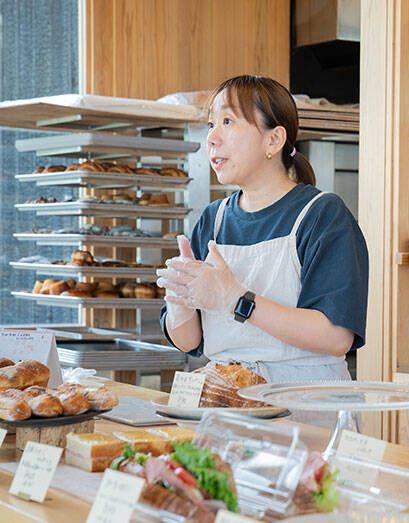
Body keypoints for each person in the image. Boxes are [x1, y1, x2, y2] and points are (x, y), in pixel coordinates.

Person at [156, 75, 368, 423]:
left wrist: (236, 300)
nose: (212, 137)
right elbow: (190, 341)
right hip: (224, 400)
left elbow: (335, 336)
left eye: (228, 121)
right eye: (211, 124)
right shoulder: (214, 219)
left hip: (305, 410)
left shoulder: (322, 215)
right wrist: (180, 304)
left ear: (274, 139)